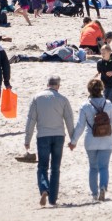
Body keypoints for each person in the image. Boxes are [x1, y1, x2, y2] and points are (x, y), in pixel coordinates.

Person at [23, 76, 74, 208]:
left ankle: (44, 189)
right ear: (58, 86)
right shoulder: (63, 99)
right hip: (58, 136)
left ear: (47, 84)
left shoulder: (37, 98)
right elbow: (69, 120)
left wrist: (27, 139)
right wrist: (72, 139)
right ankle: (53, 199)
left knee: (42, 167)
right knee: (55, 168)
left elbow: (31, 120)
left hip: (43, 136)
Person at [68, 78, 112, 202]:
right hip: (106, 140)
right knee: (104, 167)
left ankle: (94, 194)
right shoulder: (108, 104)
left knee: (93, 168)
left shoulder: (85, 106)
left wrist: (73, 142)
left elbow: (80, 126)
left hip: (90, 140)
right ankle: (103, 187)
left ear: (89, 90)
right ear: (102, 89)